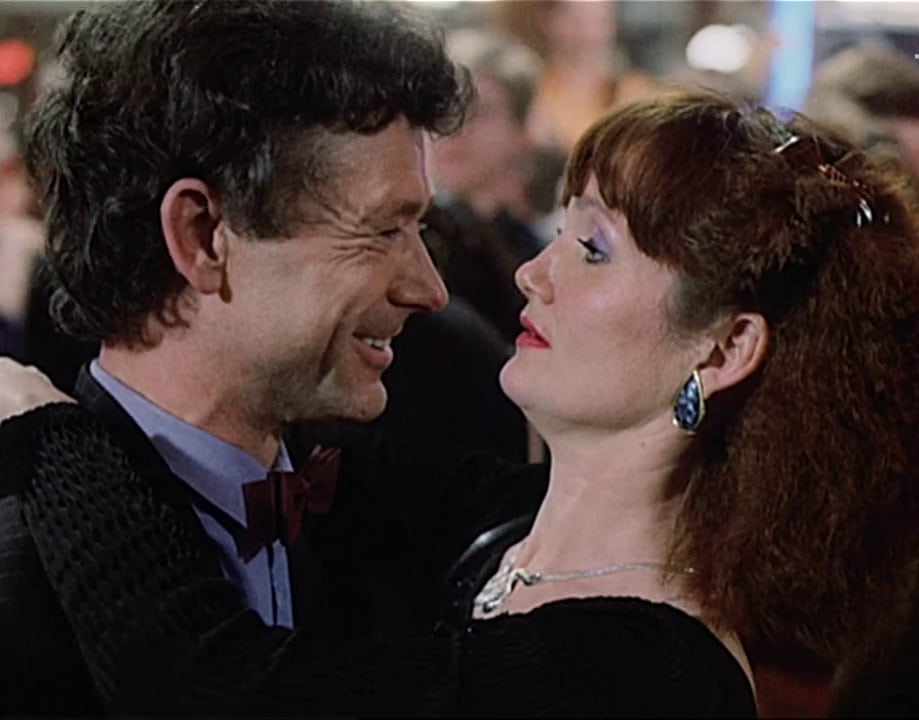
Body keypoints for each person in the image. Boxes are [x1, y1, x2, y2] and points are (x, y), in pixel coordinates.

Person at [6, 88, 919, 716]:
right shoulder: (499, 518)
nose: (532, 273)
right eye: (558, 231)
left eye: (593, 249)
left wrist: (50, 434)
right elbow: (236, 438)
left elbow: (219, 688)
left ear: (723, 349)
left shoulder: (651, 671)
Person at [0, 0, 478, 714]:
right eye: (382, 231)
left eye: (420, 230)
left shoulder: (370, 518)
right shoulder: (18, 567)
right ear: (202, 236)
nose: (428, 289)